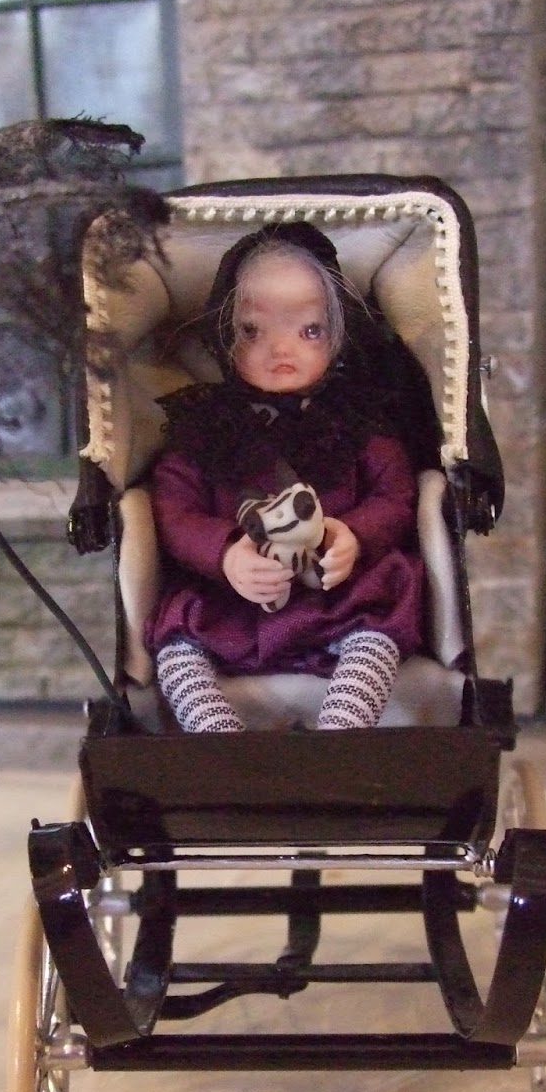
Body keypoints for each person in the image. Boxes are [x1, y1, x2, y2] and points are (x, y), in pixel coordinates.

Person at [146, 221, 424, 732]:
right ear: (225, 336)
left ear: (337, 336)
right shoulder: (208, 427)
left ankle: (339, 735)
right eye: (253, 331)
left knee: (377, 632)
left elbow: (396, 495)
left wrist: (353, 535)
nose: (281, 349)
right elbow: (172, 509)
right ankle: (221, 744)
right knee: (177, 646)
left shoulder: (357, 422)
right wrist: (225, 553)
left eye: (309, 331)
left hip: (338, 595)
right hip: (232, 598)